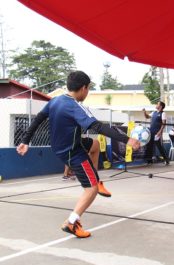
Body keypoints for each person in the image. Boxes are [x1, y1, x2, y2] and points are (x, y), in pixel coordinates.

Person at [17, 71, 140, 238]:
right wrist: (127, 140)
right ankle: (71, 222)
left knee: (95, 145)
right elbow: (98, 127)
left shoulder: (55, 101)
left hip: (65, 144)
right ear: (84, 88)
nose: (87, 93)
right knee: (92, 189)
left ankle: (96, 179)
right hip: (73, 152)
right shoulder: (75, 106)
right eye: (88, 89)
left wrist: (25, 140)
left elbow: (38, 118)